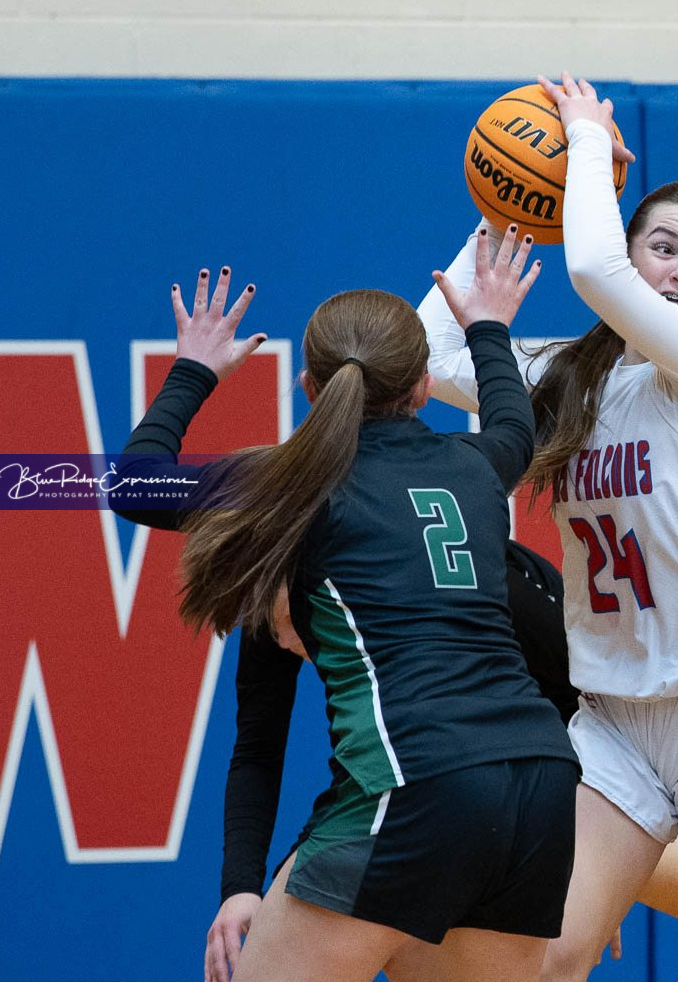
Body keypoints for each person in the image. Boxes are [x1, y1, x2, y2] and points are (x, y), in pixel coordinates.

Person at [420, 72, 678, 982]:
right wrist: (508, 209)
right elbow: (427, 355)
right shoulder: (568, 377)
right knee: (539, 957)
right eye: (664, 248)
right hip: (614, 718)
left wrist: (577, 142)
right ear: (635, 250)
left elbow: (591, 270)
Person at [110, 233, 581, 982]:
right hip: (543, 786)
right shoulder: (476, 466)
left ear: (308, 385)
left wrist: (195, 368)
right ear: (425, 387)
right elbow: (513, 423)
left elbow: (135, 482)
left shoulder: (286, 491)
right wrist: (489, 324)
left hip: (420, 779)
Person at [203, 540, 678, 982]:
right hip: (471, 776)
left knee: (533, 928)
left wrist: (583, 863)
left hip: (563, 718)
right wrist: (238, 888)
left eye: (285, 627)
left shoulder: (441, 581)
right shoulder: (278, 601)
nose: (285, 645)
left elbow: (578, 695)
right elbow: (260, 750)